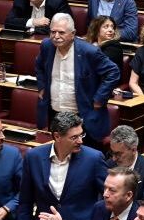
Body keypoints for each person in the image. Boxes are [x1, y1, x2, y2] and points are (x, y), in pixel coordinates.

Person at [17, 112, 109, 220]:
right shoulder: (33, 157)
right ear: (57, 136)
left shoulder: (93, 158)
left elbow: (109, 197)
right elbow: (25, 202)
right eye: (74, 137)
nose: (80, 141)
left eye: (81, 135)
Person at [34, 13, 121, 143]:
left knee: (85, 152)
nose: (56, 36)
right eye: (53, 32)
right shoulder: (47, 46)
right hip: (54, 113)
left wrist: (99, 98)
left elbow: (113, 72)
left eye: (61, 32)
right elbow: (39, 65)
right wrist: (41, 87)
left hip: (83, 114)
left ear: (73, 34)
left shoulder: (89, 51)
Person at [107, 125, 144, 200]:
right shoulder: (109, 164)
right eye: (112, 152)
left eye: (118, 154)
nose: (114, 159)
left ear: (133, 150)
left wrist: (120, 204)